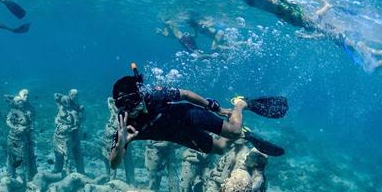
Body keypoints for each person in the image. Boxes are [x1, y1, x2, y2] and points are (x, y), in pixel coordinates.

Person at [108, 64, 284, 174]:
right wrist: (120, 145)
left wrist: (212, 106)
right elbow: (114, 164)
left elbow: (185, 94)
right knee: (221, 148)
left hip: (189, 115)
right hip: (180, 136)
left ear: (140, 95)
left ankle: (240, 103)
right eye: (124, 106)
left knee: (233, 131)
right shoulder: (126, 127)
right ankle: (244, 134)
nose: (130, 109)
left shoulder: (153, 95)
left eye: (133, 102)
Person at [223, 0, 382, 72]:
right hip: (284, 14)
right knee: (314, 25)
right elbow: (325, 34)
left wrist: (288, 1)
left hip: (285, 10)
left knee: (369, 62)